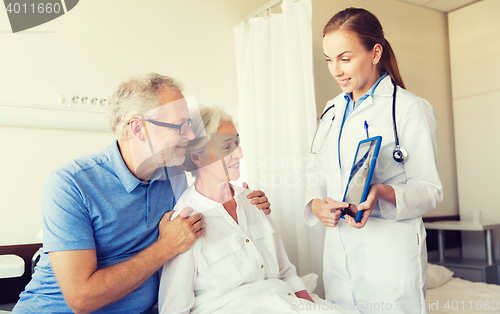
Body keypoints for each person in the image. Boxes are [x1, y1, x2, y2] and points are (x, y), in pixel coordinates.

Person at [13, 73, 271, 314]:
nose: (190, 135)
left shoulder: (173, 172)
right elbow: (82, 298)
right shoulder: (72, 183)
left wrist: (244, 200)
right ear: (137, 129)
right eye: (180, 126)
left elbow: (213, 171)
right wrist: (165, 247)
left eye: (190, 125)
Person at [304, 8, 443, 314]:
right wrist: (316, 204)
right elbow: (317, 168)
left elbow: (431, 189)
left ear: (375, 52)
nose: (336, 70)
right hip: (339, 249)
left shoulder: (409, 109)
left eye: (345, 58)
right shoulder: (332, 109)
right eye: (329, 60)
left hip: (390, 254)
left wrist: (382, 192)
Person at [159, 106, 350, 314]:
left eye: (238, 143)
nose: (240, 154)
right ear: (197, 157)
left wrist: (311, 308)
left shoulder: (253, 201)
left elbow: (286, 271)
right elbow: (174, 307)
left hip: (283, 302)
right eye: (227, 147)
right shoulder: (184, 222)